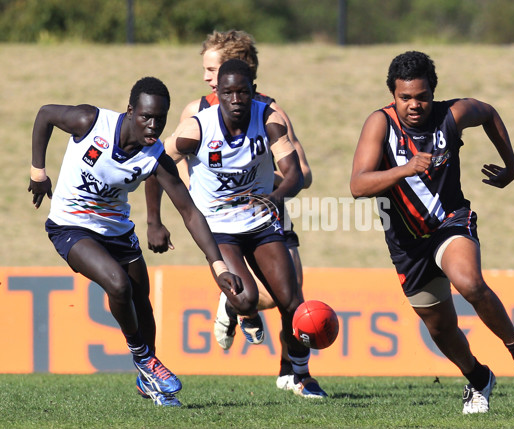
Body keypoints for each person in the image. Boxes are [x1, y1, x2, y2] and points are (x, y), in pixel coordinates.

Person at [349, 51, 514, 414]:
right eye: (405, 98)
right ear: (392, 95)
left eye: (422, 96)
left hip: (450, 221)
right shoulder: (379, 125)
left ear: (433, 92)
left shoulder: (452, 115)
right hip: (407, 244)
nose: (414, 105)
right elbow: (358, 184)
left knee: (470, 282)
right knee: (441, 328)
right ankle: (479, 379)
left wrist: (512, 166)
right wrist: (405, 169)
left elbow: (489, 113)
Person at [28, 76, 242, 407]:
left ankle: (149, 382)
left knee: (141, 302)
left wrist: (218, 266)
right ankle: (143, 357)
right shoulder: (90, 121)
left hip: (117, 233)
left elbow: (190, 213)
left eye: (160, 118)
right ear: (130, 111)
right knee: (118, 285)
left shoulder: (155, 157)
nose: (153, 126)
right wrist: (38, 173)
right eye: (146, 117)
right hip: (70, 226)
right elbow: (44, 115)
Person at [145, 59, 327, 398]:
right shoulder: (198, 128)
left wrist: (275, 196)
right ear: (218, 94)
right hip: (217, 227)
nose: (236, 99)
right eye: (227, 92)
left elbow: (294, 174)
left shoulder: (269, 121)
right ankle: (236, 306)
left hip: (260, 224)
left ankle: (301, 377)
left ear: (253, 91)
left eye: (243, 91)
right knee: (247, 300)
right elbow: (155, 160)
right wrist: (154, 221)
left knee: (292, 301)